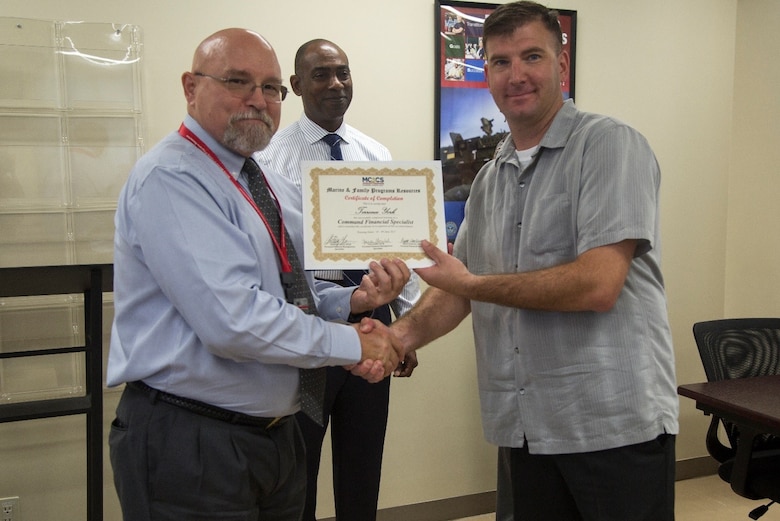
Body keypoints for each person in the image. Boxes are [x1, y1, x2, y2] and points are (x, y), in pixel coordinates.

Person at [388, 2, 679, 520]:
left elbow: (597, 285)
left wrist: (473, 284)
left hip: (610, 428)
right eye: (500, 62)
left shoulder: (610, 146)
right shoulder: (489, 177)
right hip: (524, 427)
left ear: (561, 66)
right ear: (487, 77)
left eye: (532, 56)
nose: (515, 75)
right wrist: (397, 338)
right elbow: (456, 288)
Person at [106, 28, 410, 521]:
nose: (258, 100)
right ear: (191, 87)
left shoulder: (259, 178)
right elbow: (235, 320)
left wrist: (352, 303)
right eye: (237, 82)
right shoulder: (173, 177)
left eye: (271, 88)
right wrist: (359, 344)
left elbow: (295, 290)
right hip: (194, 443)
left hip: (273, 436)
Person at [257, 38, 421, 521]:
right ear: (296, 85)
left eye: (343, 73)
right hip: (307, 328)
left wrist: (407, 326)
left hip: (374, 324)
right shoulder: (269, 158)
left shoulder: (376, 153)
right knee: (299, 466)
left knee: (363, 462)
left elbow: (397, 245)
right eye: (322, 75)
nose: (336, 84)